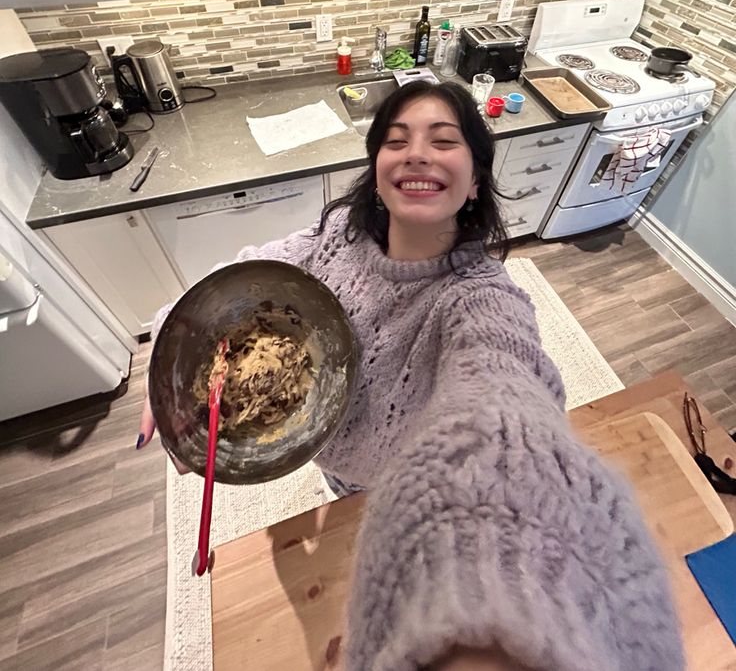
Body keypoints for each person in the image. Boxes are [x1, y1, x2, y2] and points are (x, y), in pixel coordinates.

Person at [138, 80, 683, 671]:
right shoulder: (338, 236)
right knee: (340, 488)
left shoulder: (478, 302)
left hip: (395, 489)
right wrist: (171, 356)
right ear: (377, 170)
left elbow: (506, 393)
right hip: (336, 468)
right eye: (397, 140)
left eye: (443, 141)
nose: (417, 152)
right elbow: (241, 274)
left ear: (475, 182)